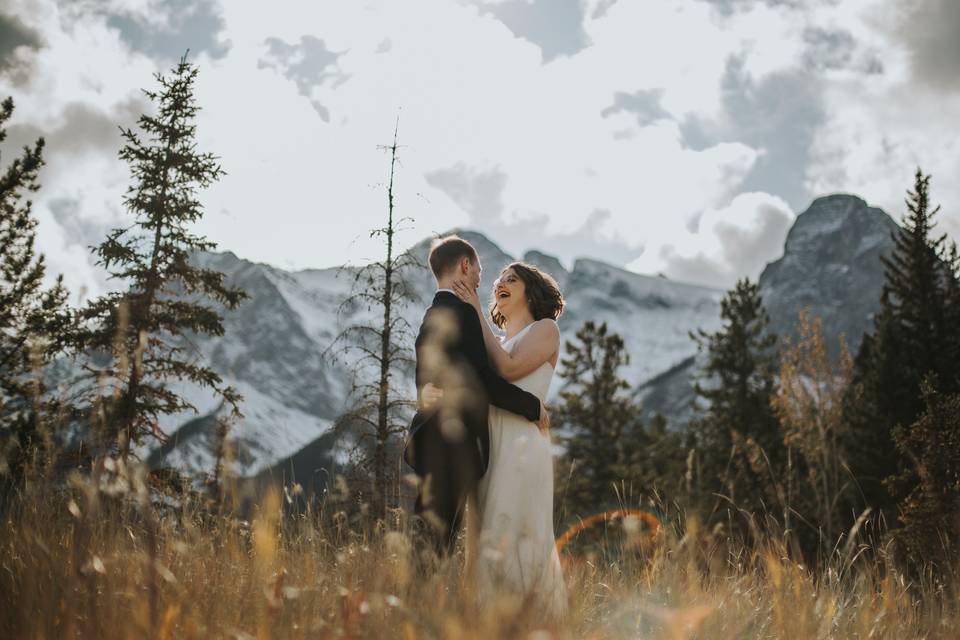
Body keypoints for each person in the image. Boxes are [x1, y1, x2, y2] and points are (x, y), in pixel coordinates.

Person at [422, 260, 568, 620]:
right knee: (486, 534)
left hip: (521, 446)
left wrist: (474, 312)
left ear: (531, 291)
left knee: (516, 528)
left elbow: (509, 369)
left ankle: (534, 621)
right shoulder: (498, 340)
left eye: (511, 279)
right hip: (489, 446)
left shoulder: (545, 329)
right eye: (499, 279)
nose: (499, 283)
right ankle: (490, 621)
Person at [403, 236, 550, 556]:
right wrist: (531, 405)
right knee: (435, 541)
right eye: (480, 270)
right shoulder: (462, 313)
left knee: (431, 536)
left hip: (431, 438)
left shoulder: (434, 313)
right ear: (465, 266)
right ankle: (417, 601)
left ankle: (418, 598)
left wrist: (424, 393)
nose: (483, 278)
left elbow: (427, 373)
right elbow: (482, 380)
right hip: (452, 441)